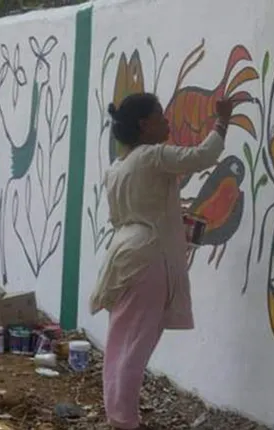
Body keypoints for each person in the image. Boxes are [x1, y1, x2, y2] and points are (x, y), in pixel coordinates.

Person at [90, 93, 233, 430]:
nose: (167, 121)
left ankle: (120, 415)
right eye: (160, 116)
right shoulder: (153, 157)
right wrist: (222, 121)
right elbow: (203, 155)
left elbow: (131, 215)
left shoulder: (118, 169)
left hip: (125, 252)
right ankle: (124, 420)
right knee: (136, 344)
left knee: (121, 341)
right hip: (147, 258)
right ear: (144, 124)